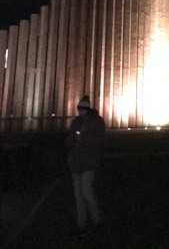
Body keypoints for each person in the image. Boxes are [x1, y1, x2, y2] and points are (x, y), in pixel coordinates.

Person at [67, 95, 106, 236]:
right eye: (79, 108)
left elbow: (99, 140)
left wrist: (82, 138)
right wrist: (72, 139)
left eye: (82, 108)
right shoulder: (77, 122)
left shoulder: (96, 121)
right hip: (77, 162)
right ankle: (82, 223)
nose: (80, 111)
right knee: (79, 194)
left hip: (88, 161)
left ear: (87, 109)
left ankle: (96, 220)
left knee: (86, 192)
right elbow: (69, 140)